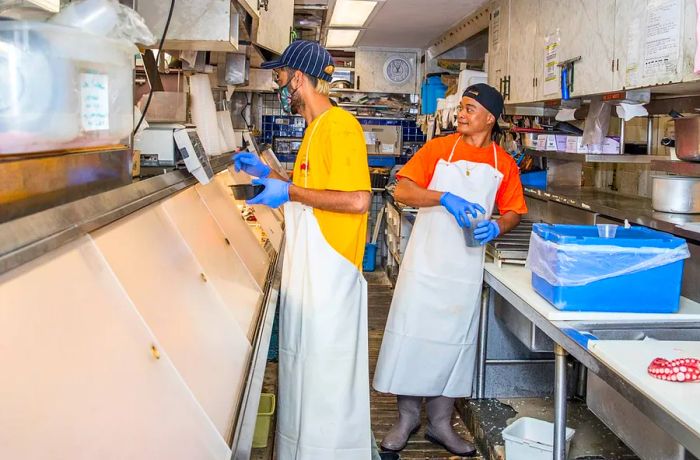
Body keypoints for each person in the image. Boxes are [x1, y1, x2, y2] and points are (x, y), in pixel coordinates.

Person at [232, 40, 373, 459]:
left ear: (299, 76)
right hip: (312, 275)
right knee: (306, 373)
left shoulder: (340, 126)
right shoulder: (314, 129)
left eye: (280, 77)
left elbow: (357, 200)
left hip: (331, 274)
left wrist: (287, 189)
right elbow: (311, 191)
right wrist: (269, 173)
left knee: (326, 380)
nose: (279, 85)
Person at [373, 84, 528, 456]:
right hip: (425, 265)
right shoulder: (439, 150)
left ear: (490, 117)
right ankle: (407, 419)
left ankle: (441, 424)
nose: (461, 114)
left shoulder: (503, 163)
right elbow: (403, 190)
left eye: (470, 108)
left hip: (463, 269)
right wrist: (443, 197)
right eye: (461, 107)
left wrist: (498, 226)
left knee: (452, 345)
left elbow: (514, 211)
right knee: (413, 339)